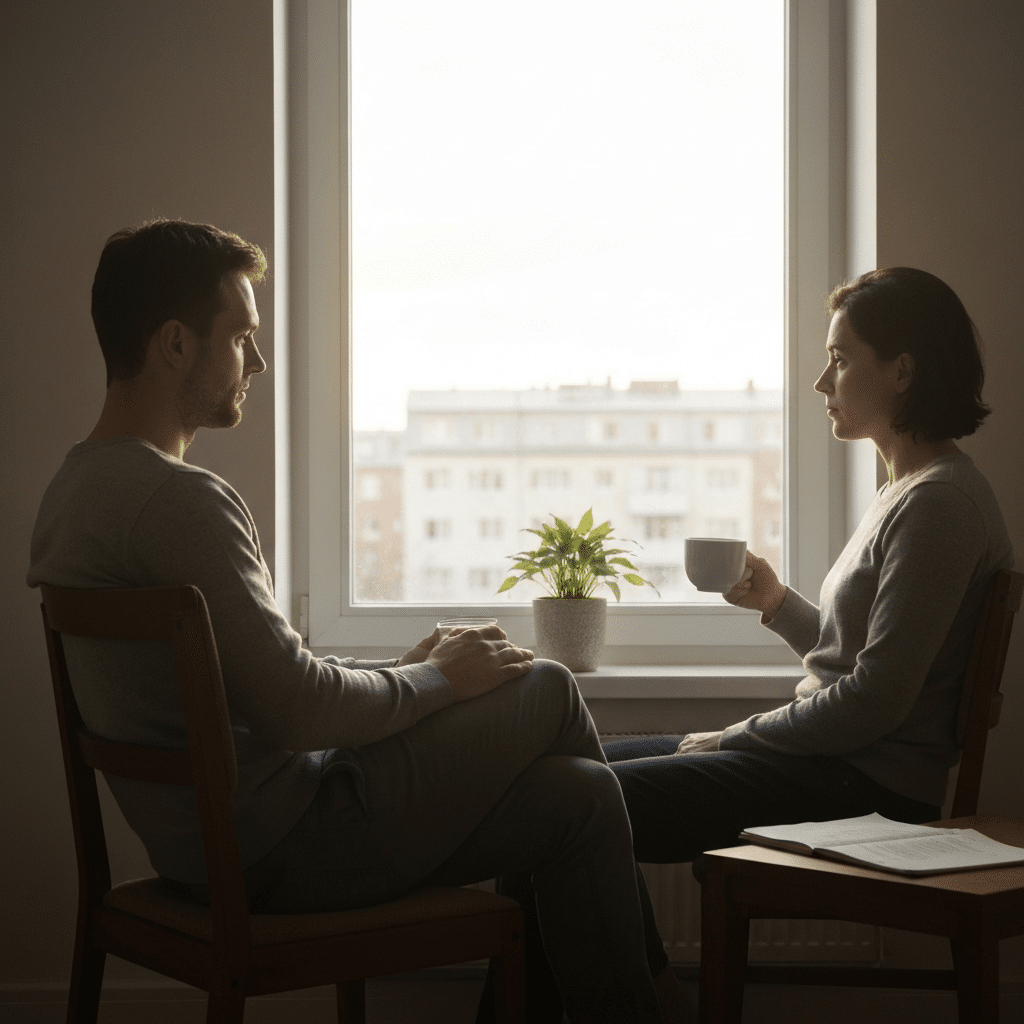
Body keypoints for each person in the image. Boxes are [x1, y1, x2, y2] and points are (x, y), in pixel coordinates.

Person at [26, 219, 673, 1024]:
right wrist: (439, 680)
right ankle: (659, 995)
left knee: (580, 797)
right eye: (243, 336)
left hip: (209, 853)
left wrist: (409, 670)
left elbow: (260, 687)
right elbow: (297, 712)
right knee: (546, 688)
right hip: (290, 848)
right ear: (176, 344)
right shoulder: (180, 501)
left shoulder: (73, 493)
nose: (258, 362)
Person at [476, 267, 1014, 1021]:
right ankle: (652, 992)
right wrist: (777, 604)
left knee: (559, 805)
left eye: (840, 359)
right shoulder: (906, 491)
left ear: (902, 370)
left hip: (867, 787)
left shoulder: (940, 504)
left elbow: (876, 700)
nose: (822, 381)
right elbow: (860, 659)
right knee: (550, 778)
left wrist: (734, 735)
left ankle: (643, 1000)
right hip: (833, 765)